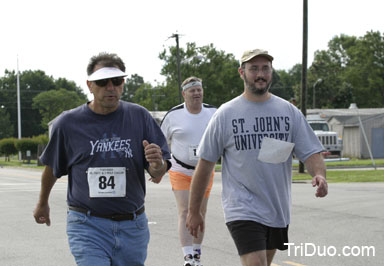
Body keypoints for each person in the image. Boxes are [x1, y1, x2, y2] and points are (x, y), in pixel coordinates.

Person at [186, 49, 328, 266]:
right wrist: (194, 211)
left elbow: (311, 152)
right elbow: (205, 165)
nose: (260, 74)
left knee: (264, 263)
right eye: (254, 69)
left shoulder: (288, 112)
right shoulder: (226, 114)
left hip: (276, 208)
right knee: (256, 263)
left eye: (265, 69)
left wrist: (319, 174)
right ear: (242, 73)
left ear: (271, 72)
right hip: (241, 208)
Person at [33, 52, 171, 266]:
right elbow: (52, 168)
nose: (110, 87)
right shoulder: (68, 124)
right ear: (89, 85)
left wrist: (157, 164)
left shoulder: (140, 117)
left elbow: (157, 171)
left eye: (116, 81)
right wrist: (42, 203)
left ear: (123, 83)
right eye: (102, 82)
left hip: (132, 226)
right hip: (87, 224)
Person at [160, 77, 216, 266]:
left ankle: (197, 254)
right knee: (185, 211)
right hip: (179, 169)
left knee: (200, 211)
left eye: (199, 90)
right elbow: (161, 142)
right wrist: (160, 167)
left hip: (205, 171)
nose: (197, 93)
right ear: (184, 94)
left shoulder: (213, 113)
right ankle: (188, 257)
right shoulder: (174, 115)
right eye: (192, 90)